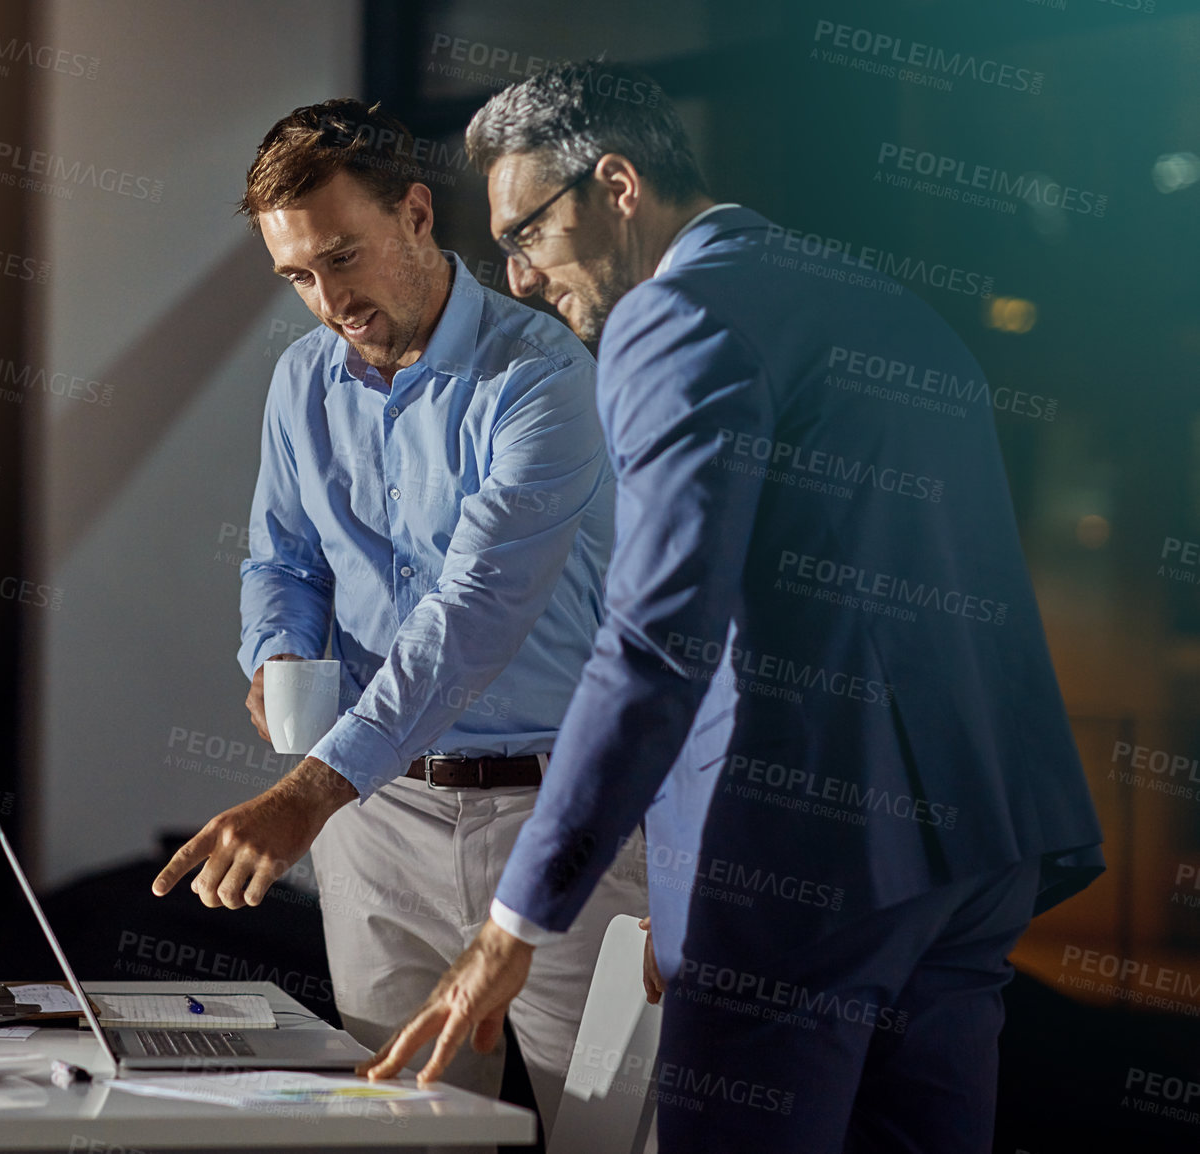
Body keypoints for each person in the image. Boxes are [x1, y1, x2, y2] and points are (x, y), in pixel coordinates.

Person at [359, 62, 1105, 1154]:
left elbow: (658, 639)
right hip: (974, 849)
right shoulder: (885, 305)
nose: (516, 279)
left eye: (524, 234)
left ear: (615, 184)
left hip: (803, 864)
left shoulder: (675, 317)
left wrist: (515, 922)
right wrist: (680, 863)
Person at [150, 98, 648, 1126]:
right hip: (378, 825)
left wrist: (308, 789)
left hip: (556, 815)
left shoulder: (545, 377)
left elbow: (473, 614)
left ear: (416, 215)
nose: (328, 297)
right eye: (298, 274)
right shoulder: (301, 380)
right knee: (398, 1130)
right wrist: (279, 645)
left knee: (611, 1125)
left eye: (343, 257)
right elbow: (280, 557)